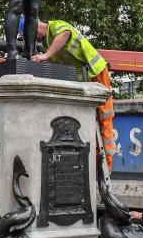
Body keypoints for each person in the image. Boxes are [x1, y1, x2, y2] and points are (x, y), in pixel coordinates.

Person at [29, 19, 115, 169]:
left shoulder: (56, 26)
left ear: (35, 27)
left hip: (96, 72)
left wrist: (45, 56)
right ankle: (96, 166)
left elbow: (65, 33)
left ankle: (106, 168)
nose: (34, 38)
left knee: (104, 118)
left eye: (32, 34)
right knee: (89, 122)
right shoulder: (46, 43)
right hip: (85, 81)